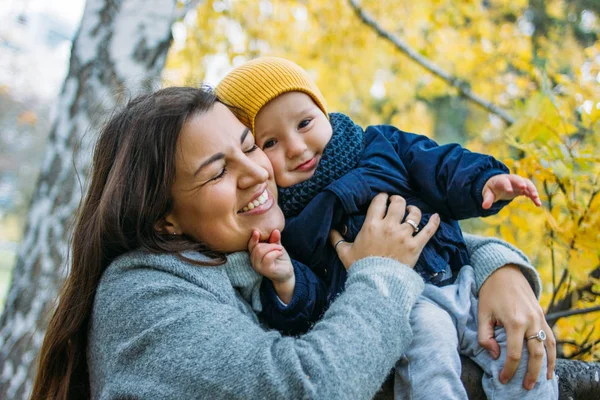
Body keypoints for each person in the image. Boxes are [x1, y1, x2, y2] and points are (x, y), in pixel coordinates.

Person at [31, 86, 550, 400]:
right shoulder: (143, 294)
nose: (257, 172)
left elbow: (412, 232)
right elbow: (305, 388)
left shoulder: (253, 252)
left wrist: (499, 270)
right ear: (165, 221)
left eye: (250, 146)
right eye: (218, 173)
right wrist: (382, 276)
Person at [215, 57, 558, 399]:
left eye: (304, 123)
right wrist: (287, 283)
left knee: (523, 352)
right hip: (405, 306)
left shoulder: (379, 144)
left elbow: (439, 163)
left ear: (324, 112)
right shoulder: (289, 223)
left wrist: (483, 179)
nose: (296, 146)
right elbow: (313, 299)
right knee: (429, 360)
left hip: (458, 278)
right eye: (271, 143)